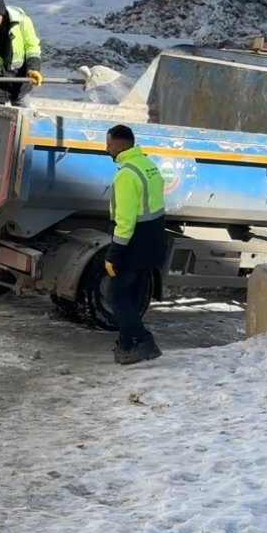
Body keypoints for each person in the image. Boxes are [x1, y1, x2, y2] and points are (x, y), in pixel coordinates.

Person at [104, 125, 166, 365]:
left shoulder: (126, 174)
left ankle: (144, 341)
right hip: (152, 239)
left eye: (109, 144)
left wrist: (114, 252)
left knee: (116, 295)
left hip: (134, 243)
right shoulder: (148, 165)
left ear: (119, 145)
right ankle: (127, 344)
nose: (107, 149)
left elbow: (126, 221)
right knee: (131, 293)